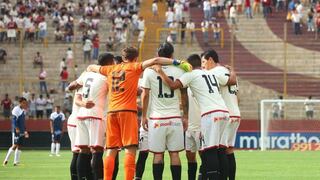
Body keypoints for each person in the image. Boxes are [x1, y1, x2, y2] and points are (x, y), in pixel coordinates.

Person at [86, 46, 192, 180]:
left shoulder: (110, 69)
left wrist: (89, 69)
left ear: (122, 57)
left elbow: (91, 67)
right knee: (130, 148)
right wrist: (178, 62)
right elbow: (156, 60)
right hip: (128, 111)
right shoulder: (135, 67)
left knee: (111, 149)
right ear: (135, 58)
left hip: (112, 112)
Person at [152, 53, 230, 180]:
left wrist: (160, 71)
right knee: (221, 150)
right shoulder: (211, 73)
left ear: (189, 65)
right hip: (224, 112)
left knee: (209, 150)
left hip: (210, 114)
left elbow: (172, 86)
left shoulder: (191, 75)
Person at [141, 42, 188, 180]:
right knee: (174, 154)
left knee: (158, 154)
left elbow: (145, 95)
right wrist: (185, 116)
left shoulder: (149, 71)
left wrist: (144, 116)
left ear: (157, 55)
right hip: (174, 117)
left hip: (157, 118)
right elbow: (184, 96)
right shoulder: (179, 70)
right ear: (172, 55)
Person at [74, 53, 114, 180]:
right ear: (108, 63)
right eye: (112, 62)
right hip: (96, 114)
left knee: (83, 150)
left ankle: (83, 178)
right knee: (97, 150)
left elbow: (75, 88)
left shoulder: (87, 74)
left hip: (81, 114)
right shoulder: (106, 76)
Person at [202, 50, 239, 180]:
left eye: (204, 62)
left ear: (211, 60)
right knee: (229, 150)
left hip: (224, 114)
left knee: (220, 149)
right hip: (235, 113)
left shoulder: (213, 72)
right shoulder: (228, 71)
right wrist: (233, 70)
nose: (203, 66)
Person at [3, 97, 29, 166]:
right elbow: (14, 120)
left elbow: (23, 122)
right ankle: (6, 160)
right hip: (16, 131)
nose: (25, 104)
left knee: (20, 146)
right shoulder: (16, 109)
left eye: (25, 103)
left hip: (22, 131)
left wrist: (25, 131)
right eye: (24, 103)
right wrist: (17, 128)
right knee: (14, 145)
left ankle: (16, 162)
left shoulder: (23, 110)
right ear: (20, 103)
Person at [185, 85, 202, 180]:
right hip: (189, 127)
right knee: (190, 156)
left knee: (204, 156)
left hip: (200, 126)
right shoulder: (187, 85)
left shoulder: (202, 84)